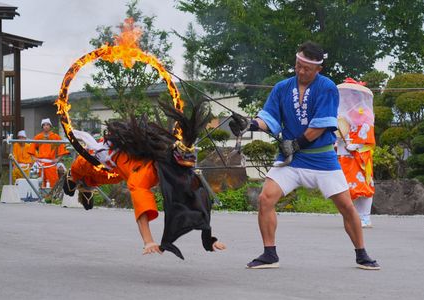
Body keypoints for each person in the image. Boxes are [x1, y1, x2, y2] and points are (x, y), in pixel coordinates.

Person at [229, 41, 380, 270]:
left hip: (322, 159)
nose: (300, 71)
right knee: (265, 198)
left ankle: (362, 254)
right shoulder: (281, 88)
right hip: (291, 160)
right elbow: (269, 119)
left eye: (306, 68)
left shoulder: (327, 87)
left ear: (318, 69)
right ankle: (270, 254)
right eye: (298, 65)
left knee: (346, 207)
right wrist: (249, 125)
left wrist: (296, 144)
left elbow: (320, 126)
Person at [63, 102, 226, 258]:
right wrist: (148, 240)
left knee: (109, 179)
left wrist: (209, 240)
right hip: (112, 153)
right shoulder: (144, 173)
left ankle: (86, 187)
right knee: (85, 163)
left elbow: (198, 202)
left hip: (124, 168)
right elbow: (141, 204)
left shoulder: (180, 170)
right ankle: (73, 176)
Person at [336, 79, 376, 228]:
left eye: (352, 95)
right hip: (343, 155)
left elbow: (369, 137)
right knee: (346, 186)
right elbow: (340, 132)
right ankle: (353, 216)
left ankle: (365, 217)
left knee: (363, 186)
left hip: (359, 155)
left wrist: (357, 145)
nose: (348, 98)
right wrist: (337, 141)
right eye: (347, 95)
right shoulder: (342, 115)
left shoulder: (365, 114)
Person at [28, 118, 69, 188]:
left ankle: (53, 197)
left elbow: (62, 147)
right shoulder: (38, 137)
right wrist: (34, 158)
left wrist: (58, 159)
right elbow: (31, 147)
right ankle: (40, 197)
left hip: (51, 163)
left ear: (50, 126)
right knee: (39, 182)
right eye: (44, 125)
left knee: (53, 181)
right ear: (42, 127)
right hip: (40, 163)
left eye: (47, 125)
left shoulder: (55, 137)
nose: (46, 126)